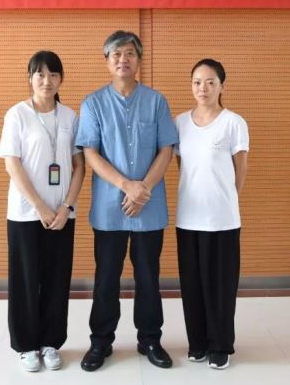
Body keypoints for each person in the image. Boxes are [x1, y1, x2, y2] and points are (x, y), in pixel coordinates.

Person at [75, 31, 178, 371]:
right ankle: (100, 342)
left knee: (148, 276)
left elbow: (166, 148)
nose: (123, 59)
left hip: (149, 205)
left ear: (139, 60)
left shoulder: (156, 101)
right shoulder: (93, 103)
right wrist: (126, 186)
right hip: (110, 208)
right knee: (107, 276)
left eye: (130, 53)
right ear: (107, 61)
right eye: (116, 54)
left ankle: (150, 339)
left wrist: (142, 188)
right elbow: (90, 152)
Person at [0, 51, 85, 372]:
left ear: (61, 79)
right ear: (30, 78)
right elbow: (12, 164)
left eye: (53, 74)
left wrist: (66, 206)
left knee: (56, 279)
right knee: (25, 280)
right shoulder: (17, 114)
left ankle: (50, 342)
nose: (47, 81)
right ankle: (26, 345)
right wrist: (40, 206)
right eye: (40, 74)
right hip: (26, 213)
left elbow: (79, 166)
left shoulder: (70, 117)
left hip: (62, 215)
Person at [174, 59, 249, 370]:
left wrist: (226, 199)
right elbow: (183, 166)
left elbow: (240, 171)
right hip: (188, 217)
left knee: (220, 285)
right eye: (197, 82)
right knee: (192, 284)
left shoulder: (233, 122)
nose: (202, 88)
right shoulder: (180, 122)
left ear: (221, 85)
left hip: (222, 219)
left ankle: (220, 345)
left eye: (210, 82)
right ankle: (198, 343)